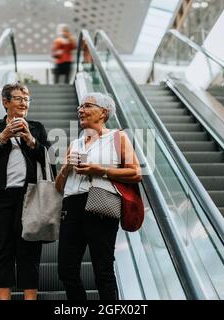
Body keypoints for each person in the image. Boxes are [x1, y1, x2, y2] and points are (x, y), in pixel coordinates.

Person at [55, 92, 141, 300]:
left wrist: (99, 170)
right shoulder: (75, 144)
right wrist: (66, 166)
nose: (80, 110)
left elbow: (136, 173)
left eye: (87, 106)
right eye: (80, 107)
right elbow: (58, 187)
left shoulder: (117, 137)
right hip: (71, 207)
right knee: (66, 269)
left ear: (103, 112)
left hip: (100, 204)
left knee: (103, 270)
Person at [0, 82, 50, 300]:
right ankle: (4, 297)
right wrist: (3, 136)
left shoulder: (36, 127)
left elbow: (48, 159)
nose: (24, 103)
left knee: (29, 249)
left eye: (26, 99)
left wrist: (30, 139)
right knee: (2, 248)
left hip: (30, 196)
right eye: (18, 98)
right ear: (5, 102)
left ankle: (29, 297)